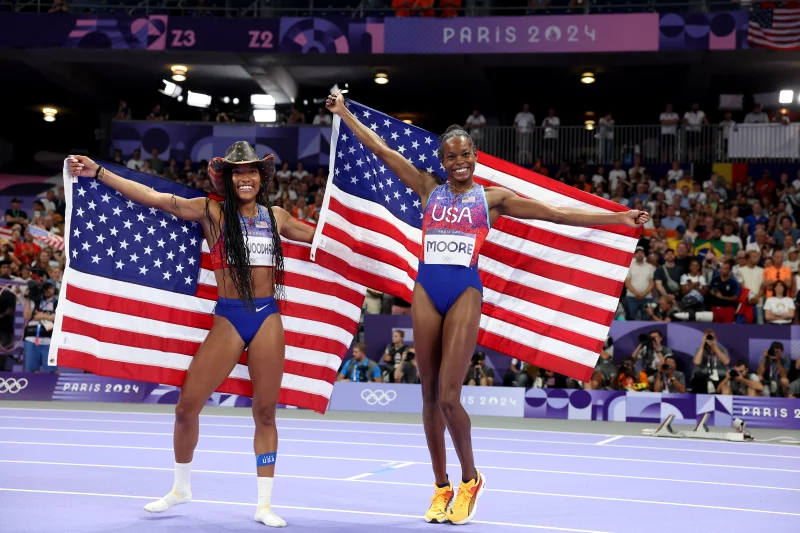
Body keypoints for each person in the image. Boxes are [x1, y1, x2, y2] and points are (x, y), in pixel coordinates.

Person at [325, 90, 649, 525]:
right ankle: (440, 487)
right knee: (426, 397)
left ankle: (470, 479)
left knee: (448, 396)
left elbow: (555, 214)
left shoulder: (492, 200)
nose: (459, 162)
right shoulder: (427, 187)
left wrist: (616, 217)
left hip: (464, 291)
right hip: (425, 288)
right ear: (443, 161)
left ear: (474, 156)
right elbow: (380, 149)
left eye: (465, 155)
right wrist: (343, 112)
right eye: (451, 157)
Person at [67, 140, 318, 528]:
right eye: (238, 172)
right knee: (186, 407)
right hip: (230, 318)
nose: (246, 177)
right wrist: (98, 173)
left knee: (265, 412)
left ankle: (264, 504)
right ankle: (181, 487)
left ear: (261, 177)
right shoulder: (210, 211)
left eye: (251, 171)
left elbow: (324, 239)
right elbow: (153, 197)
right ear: (229, 179)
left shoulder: (277, 216)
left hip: (267, 316)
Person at [23, 280, 58, 373]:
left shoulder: (57, 303)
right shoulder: (36, 301)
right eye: (45, 288)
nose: (47, 290)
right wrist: (28, 299)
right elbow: (26, 316)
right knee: (33, 369)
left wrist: (42, 316)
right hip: (32, 339)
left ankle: (54, 387)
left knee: (52, 370)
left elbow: (58, 317)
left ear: (55, 289)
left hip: (49, 341)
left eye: (50, 288)